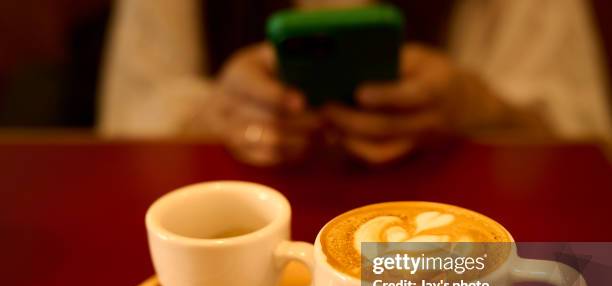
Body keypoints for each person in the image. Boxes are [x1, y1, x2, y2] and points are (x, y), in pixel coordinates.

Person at [98, 0, 612, 165]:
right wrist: (217, 113)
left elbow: (583, 129)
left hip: (449, 254)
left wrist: (476, 106)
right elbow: (129, 112)